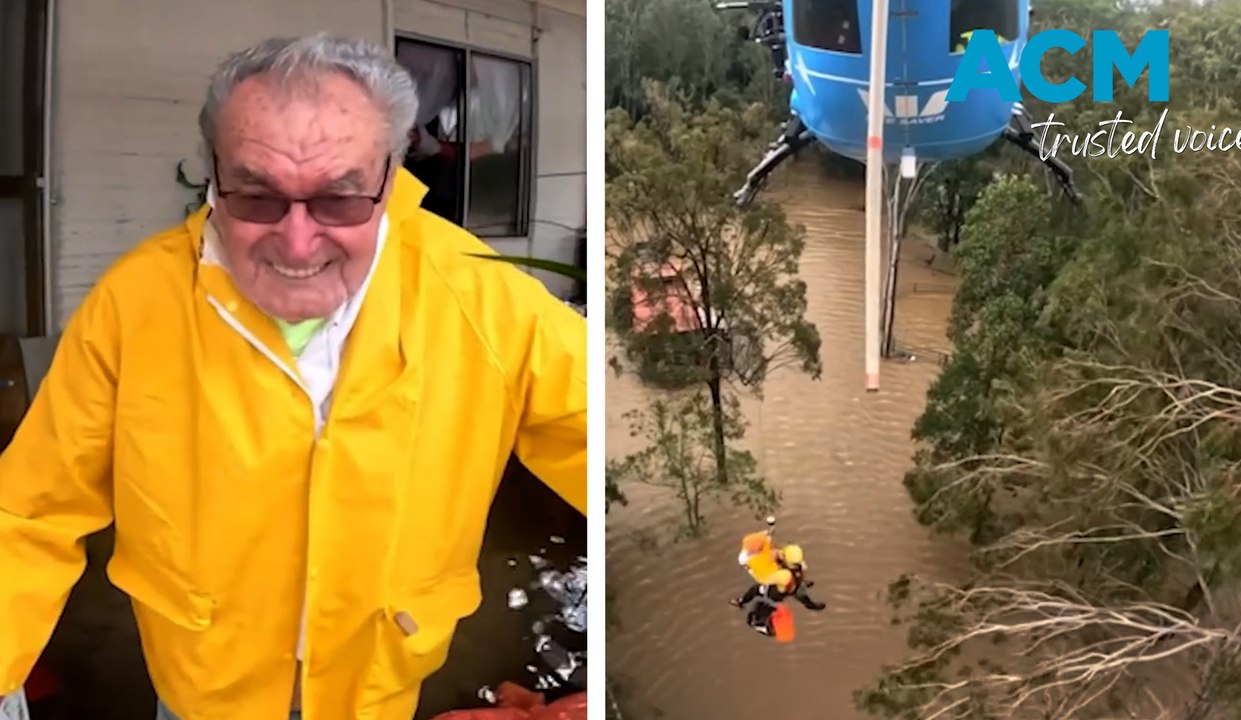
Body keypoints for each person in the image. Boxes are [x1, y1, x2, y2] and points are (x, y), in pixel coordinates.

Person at [0, 32, 586, 720]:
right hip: (205, 695)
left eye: (339, 199)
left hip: (376, 691)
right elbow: (31, 513)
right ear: (214, 175)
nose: (298, 243)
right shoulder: (136, 303)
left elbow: (607, 441)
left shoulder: (483, 300)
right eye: (256, 196)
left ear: (390, 177)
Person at [732, 535, 825, 635]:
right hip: (793, 585)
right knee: (801, 594)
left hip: (778, 591)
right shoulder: (798, 564)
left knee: (757, 594)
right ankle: (811, 605)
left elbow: (767, 577)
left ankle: (748, 610)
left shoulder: (782, 572)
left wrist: (765, 557)